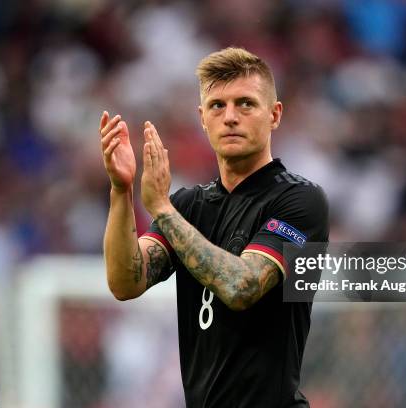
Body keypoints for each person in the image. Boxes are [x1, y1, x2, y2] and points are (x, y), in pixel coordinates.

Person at [99, 47, 329, 407]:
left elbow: (242, 286)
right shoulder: (188, 206)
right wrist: (120, 190)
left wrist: (161, 208)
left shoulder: (301, 201)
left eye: (246, 104)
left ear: (274, 114)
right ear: (202, 118)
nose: (230, 117)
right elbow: (125, 282)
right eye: (217, 105)